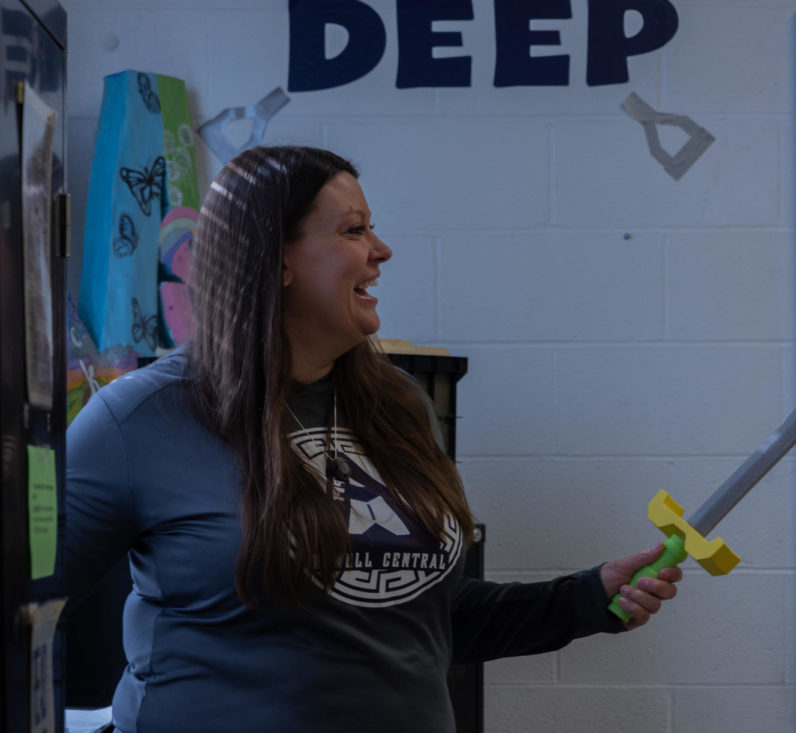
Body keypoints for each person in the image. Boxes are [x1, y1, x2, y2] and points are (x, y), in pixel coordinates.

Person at [66, 145, 682, 733]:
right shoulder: (141, 417)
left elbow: (426, 620)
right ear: (274, 259)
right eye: (354, 231)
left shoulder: (399, 405)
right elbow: (27, 605)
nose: (381, 251)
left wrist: (583, 598)